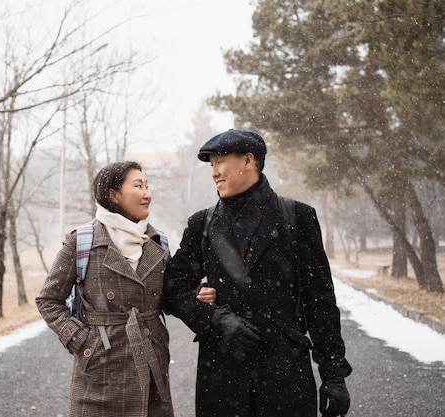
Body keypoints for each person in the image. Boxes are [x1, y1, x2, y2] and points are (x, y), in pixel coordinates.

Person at [162, 129, 352, 417]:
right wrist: (215, 319)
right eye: (211, 165)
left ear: (248, 161)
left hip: (285, 375)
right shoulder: (202, 223)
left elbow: (320, 300)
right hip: (222, 378)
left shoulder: (297, 217)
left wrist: (334, 375)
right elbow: (171, 291)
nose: (214, 173)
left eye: (220, 162)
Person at [36, 161, 215, 417]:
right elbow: (48, 300)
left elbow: (166, 297)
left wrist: (196, 293)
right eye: (138, 186)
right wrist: (82, 340)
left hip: (150, 364)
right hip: (99, 368)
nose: (147, 194)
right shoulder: (83, 240)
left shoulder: (158, 241)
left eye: (147, 186)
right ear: (113, 194)